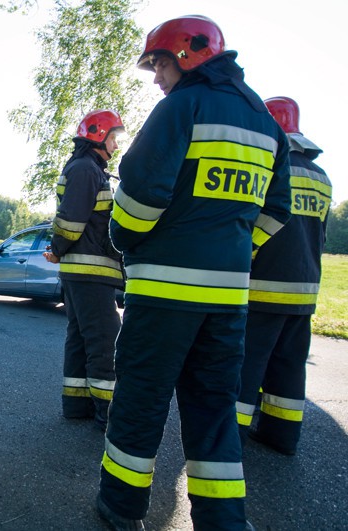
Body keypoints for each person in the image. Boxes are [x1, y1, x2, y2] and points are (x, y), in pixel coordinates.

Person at [97, 15, 291, 531]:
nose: (156, 77)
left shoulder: (181, 107)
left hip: (162, 294)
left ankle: (120, 508)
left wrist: (125, 240)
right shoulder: (265, 123)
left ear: (188, 54)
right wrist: (232, 250)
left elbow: (139, 194)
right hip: (227, 300)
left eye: (158, 63)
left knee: (141, 399)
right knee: (213, 410)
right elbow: (277, 211)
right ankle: (224, 520)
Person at [236, 97, 333, 456]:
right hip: (304, 290)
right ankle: (282, 435)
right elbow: (318, 234)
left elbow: (258, 224)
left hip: (262, 288)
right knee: (289, 366)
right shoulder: (321, 176)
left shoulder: (270, 165)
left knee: (247, 364)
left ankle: (231, 435)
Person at [42, 110, 125, 430]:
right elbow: (71, 221)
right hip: (91, 273)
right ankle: (107, 412)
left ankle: (77, 404)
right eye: (114, 138)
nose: (116, 146)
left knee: (80, 338)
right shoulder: (86, 170)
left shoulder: (85, 169)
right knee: (104, 340)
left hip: (83, 271)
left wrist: (61, 251)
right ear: (98, 135)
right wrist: (58, 248)